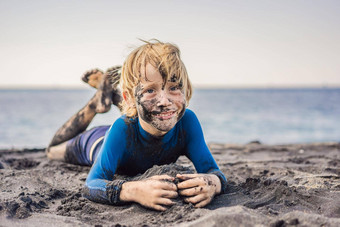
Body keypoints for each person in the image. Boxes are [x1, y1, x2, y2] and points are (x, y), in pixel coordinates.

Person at [46, 40, 227, 211]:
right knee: (51, 151)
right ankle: (95, 104)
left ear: (186, 91)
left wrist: (211, 183)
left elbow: (214, 171)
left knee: (145, 109)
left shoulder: (187, 122)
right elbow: (91, 184)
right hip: (95, 141)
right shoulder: (121, 128)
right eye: (150, 90)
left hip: (135, 121)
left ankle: (114, 93)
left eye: (173, 88)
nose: (165, 101)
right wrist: (133, 190)